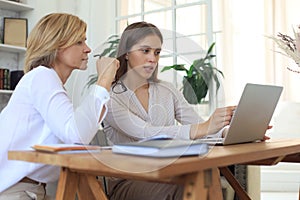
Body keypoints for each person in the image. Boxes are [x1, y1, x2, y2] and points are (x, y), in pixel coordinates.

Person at [102, 21, 236, 200]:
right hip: (129, 180)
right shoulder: (110, 97)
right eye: (145, 51)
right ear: (126, 53)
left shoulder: (166, 90)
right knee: (189, 185)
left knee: (207, 171)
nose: (153, 59)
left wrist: (229, 131)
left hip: (168, 172)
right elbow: (146, 134)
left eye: (157, 52)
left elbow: (198, 124)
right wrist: (204, 127)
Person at [0, 13, 119, 199]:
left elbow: (72, 134)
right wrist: (104, 79)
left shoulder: (49, 81)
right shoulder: (41, 76)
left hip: (34, 190)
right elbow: (76, 134)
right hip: (14, 191)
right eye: (79, 42)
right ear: (56, 45)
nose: (87, 49)